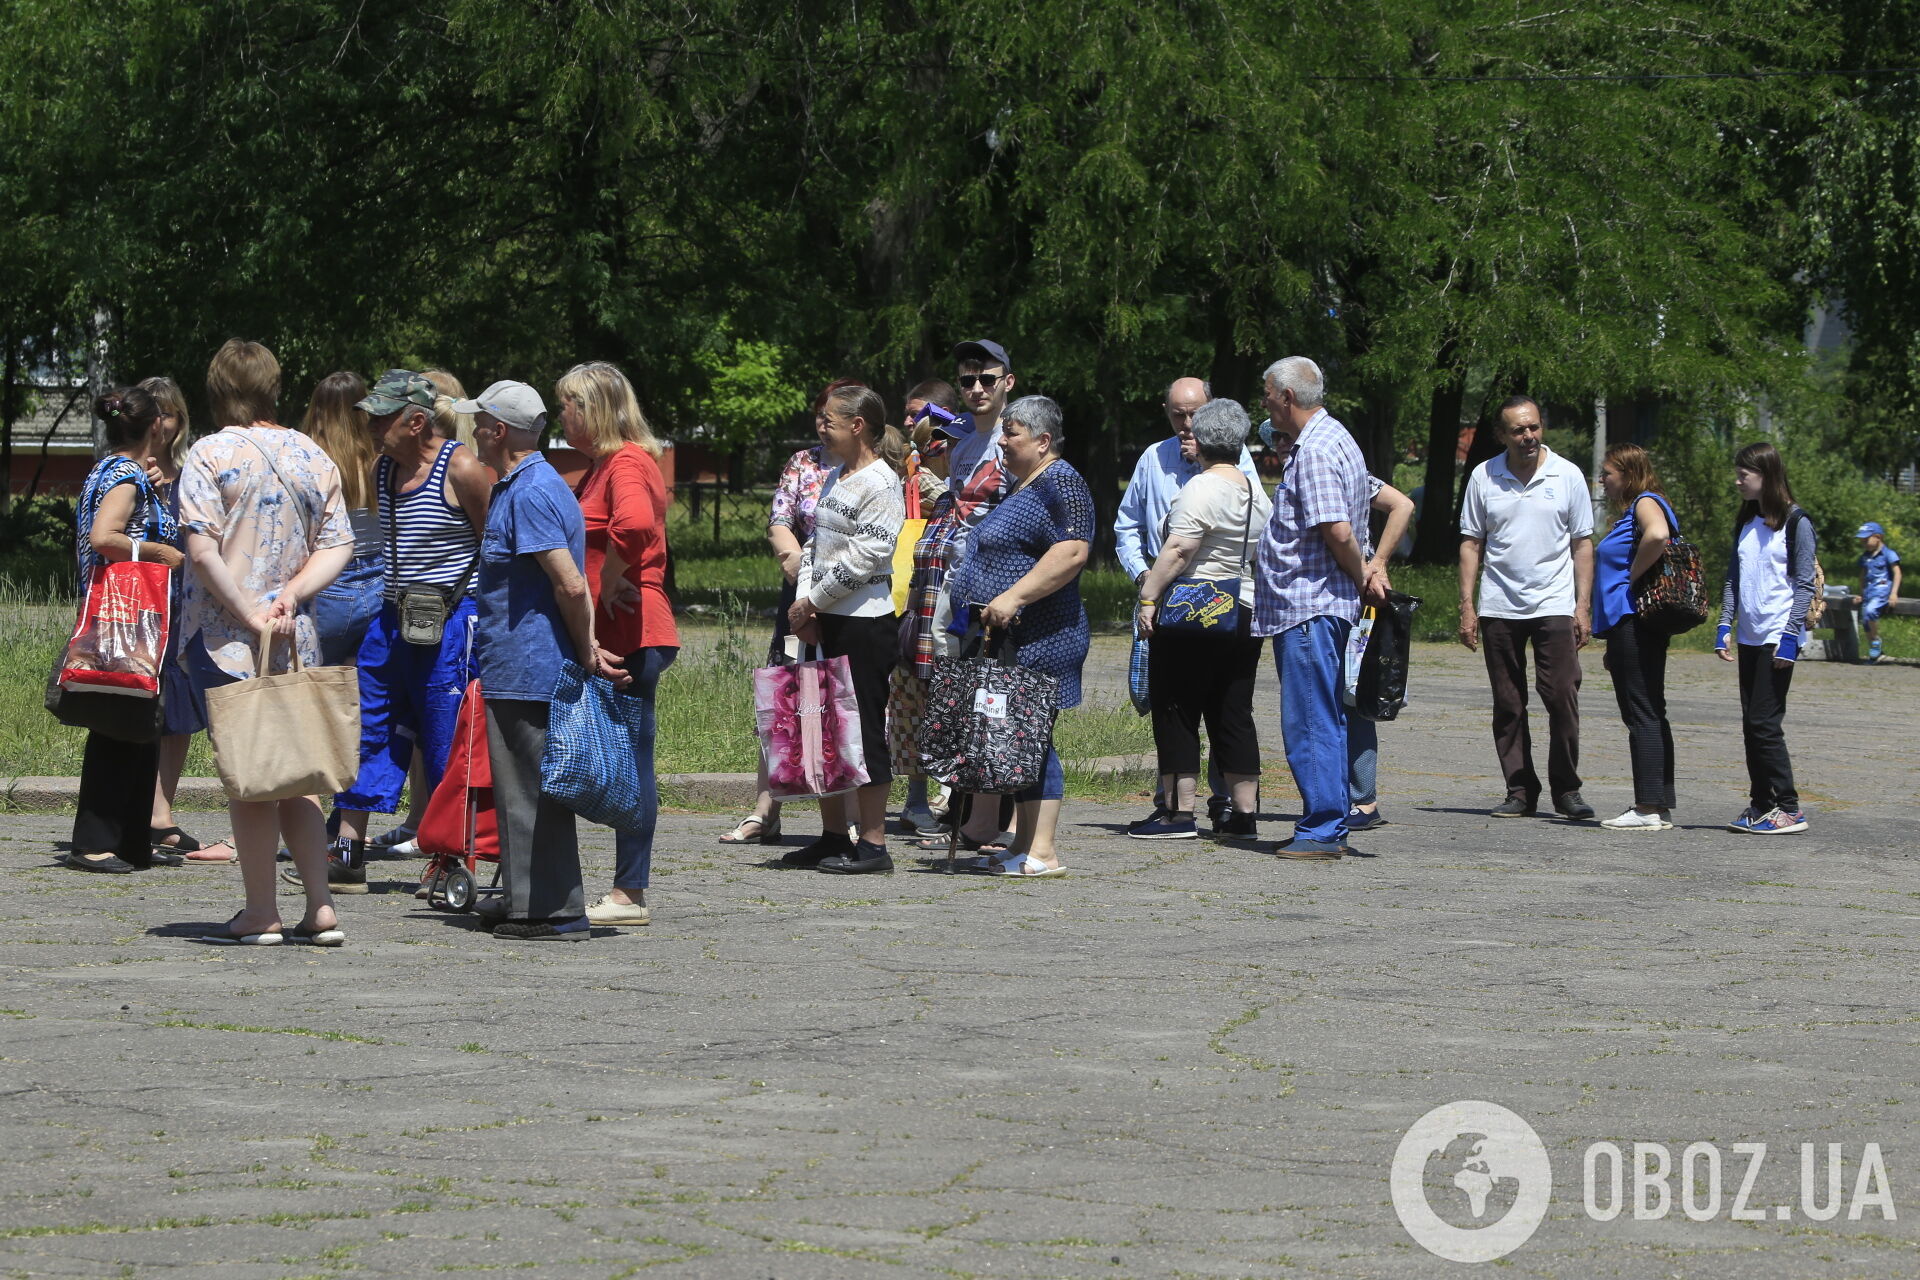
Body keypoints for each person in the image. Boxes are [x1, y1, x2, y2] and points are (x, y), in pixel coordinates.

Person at [178, 339, 354, 944]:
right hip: (295, 635)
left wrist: (249, 611)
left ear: (218, 387)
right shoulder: (312, 454)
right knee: (297, 774)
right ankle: (321, 907)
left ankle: (261, 912)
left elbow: (201, 551)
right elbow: (340, 545)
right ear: (273, 387)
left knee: (251, 778)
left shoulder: (210, 453)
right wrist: (292, 596)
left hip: (232, 638)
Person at [306, 370, 491, 892]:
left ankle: (455, 854)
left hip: (452, 622)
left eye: (380, 417)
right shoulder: (384, 467)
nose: (368, 426)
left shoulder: (463, 468)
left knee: (442, 739)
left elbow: (494, 547)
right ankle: (348, 849)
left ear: (415, 422)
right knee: (371, 729)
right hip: (393, 619)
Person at [466, 381, 626, 939]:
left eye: (478, 421)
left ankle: (548, 910)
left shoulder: (530, 491)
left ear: (499, 430)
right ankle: (524, 895)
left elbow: (571, 584)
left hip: (530, 666)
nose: (473, 431)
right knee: (526, 788)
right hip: (523, 662)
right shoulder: (530, 484)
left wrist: (586, 650)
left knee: (529, 790)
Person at [549, 362, 679, 926]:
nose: (562, 416)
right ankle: (623, 887)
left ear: (594, 408)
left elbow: (634, 525)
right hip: (622, 629)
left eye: (568, 404)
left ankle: (630, 892)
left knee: (631, 760)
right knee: (623, 756)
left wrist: (609, 579)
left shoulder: (626, 461)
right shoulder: (604, 464)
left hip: (634, 631)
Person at [944, 395, 1092, 877]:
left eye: (1012, 434)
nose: (1002, 442)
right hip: (1010, 640)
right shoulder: (1025, 483)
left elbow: (1071, 552)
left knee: (1034, 738)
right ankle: (1024, 843)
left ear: (1043, 440)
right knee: (1017, 740)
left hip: (1042, 638)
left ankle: (1044, 851)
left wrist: (1013, 597)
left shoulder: (1062, 482)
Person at [1250, 358, 1384, 860]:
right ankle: (1329, 823)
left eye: (1267, 393)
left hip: (1309, 606)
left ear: (1287, 397)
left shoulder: (1317, 451)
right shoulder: (1333, 439)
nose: (1263, 402)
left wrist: (1362, 572)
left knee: (1310, 720)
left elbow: (1338, 531)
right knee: (1324, 716)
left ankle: (1323, 828)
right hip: (1314, 605)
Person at [1114, 376, 1261, 833]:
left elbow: (1178, 550)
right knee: (1233, 711)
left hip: (1194, 607)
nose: (1186, 429)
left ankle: (1179, 813)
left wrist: (1148, 596)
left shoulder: (1199, 488)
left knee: (1176, 707)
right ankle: (1244, 815)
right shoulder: (1255, 491)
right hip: (1243, 608)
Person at [57, 387, 190, 876]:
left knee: (138, 724)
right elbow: (104, 536)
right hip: (127, 618)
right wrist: (160, 554)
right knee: (117, 725)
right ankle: (92, 842)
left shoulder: (113, 469)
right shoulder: (125, 475)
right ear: (156, 425)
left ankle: (131, 839)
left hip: (136, 620)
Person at [716, 380, 850, 846]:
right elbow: (779, 519)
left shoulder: (879, 466)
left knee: (844, 699)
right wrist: (796, 568)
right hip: (800, 594)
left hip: (855, 598)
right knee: (786, 693)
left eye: (831, 415)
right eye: (819, 414)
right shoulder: (803, 463)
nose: (821, 424)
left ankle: (846, 815)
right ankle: (765, 809)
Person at [782, 384, 907, 875]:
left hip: (863, 624)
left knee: (862, 729)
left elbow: (867, 557)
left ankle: (873, 845)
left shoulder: (882, 483)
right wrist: (806, 605)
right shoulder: (836, 475)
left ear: (858, 426)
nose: (821, 428)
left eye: (830, 421)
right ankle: (833, 835)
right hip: (824, 618)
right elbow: (816, 544)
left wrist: (813, 600)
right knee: (821, 727)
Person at [1458, 396, 1597, 821]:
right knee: (1508, 702)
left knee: (1561, 696)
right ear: (1502, 435)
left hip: (1554, 602)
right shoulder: (1485, 476)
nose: (1529, 436)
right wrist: (1467, 605)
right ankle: (1519, 790)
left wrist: (1582, 605)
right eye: (1518, 430)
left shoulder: (1568, 474)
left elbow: (1582, 544)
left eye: (1534, 427)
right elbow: (1471, 543)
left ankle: (1567, 789)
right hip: (1499, 604)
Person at [136, 375, 235, 864]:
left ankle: (160, 814)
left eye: (168, 413)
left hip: (184, 603)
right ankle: (132, 811)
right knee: (139, 705)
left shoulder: (195, 468)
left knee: (179, 711)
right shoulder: (124, 470)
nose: (160, 424)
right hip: (139, 604)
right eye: (151, 414)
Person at [942, 340, 1023, 853]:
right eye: (968, 380)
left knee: (1005, 706)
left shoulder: (1015, 440)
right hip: (961, 588)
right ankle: (973, 817)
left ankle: (1011, 824)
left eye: (986, 379)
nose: (976, 389)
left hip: (1005, 589)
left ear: (1007, 383)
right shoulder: (963, 443)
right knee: (972, 705)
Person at [1717, 442, 1818, 835]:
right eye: (1738, 472)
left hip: (1779, 636)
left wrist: (1791, 636)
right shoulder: (1746, 522)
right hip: (1750, 636)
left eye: (1745, 473)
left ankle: (1789, 807)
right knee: (1750, 723)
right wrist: (1725, 624)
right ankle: (1761, 804)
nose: (1738, 480)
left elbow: (1805, 584)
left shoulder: (1797, 522)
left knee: (1764, 722)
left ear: (1767, 475)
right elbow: (1733, 578)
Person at [1592, 444, 1681, 831]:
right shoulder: (1636, 509)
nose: (1602, 480)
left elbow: (1658, 535)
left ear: (1628, 474)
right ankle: (1658, 803)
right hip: (1631, 623)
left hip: (1634, 620)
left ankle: (1647, 806)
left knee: (1640, 710)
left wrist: (1631, 576)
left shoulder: (1646, 501)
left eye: (1607, 473)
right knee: (1650, 708)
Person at [892, 378, 965, 837]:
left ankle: (957, 795)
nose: (907, 421)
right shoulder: (899, 460)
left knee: (952, 699)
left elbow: (960, 511)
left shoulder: (964, 454)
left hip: (950, 596)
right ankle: (916, 797)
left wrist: (933, 473)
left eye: (916, 413)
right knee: (910, 698)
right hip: (909, 594)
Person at [1854, 522, 1901, 662]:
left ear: (1878, 537)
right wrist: (1861, 593)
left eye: (1866, 540)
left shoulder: (1889, 554)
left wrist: (1894, 593)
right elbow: (1862, 576)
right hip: (1869, 592)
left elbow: (1897, 574)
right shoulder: (1866, 556)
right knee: (1865, 619)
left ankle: (1875, 641)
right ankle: (1875, 651)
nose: (1864, 544)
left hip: (1882, 592)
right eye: (1862, 541)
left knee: (1869, 612)